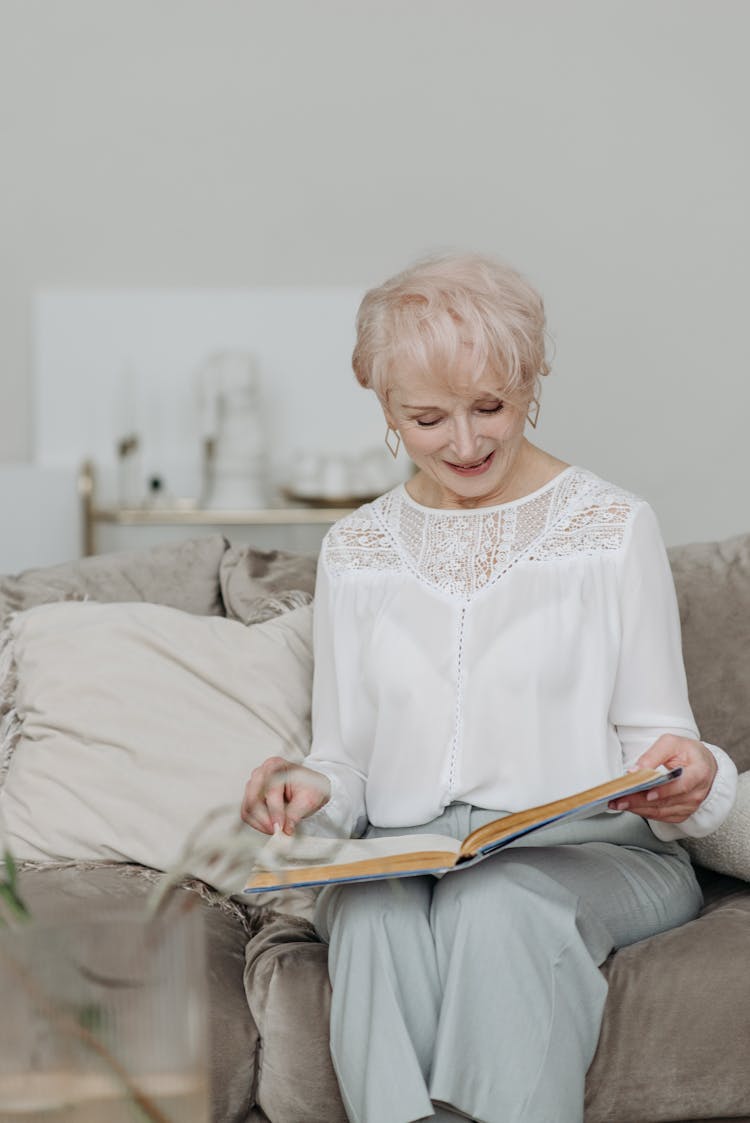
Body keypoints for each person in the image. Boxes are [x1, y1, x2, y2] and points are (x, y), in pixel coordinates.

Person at [241, 253, 737, 1123]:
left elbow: (659, 738)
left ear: (531, 381)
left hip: (599, 852)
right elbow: (346, 765)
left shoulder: (612, 527)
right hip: (410, 851)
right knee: (370, 914)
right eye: (428, 418)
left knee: (496, 901)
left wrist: (687, 771)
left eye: (491, 408)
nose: (466, 444)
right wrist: (307, 785)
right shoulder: (356, 551)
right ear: (383, 405)